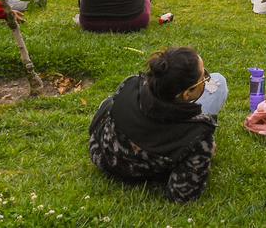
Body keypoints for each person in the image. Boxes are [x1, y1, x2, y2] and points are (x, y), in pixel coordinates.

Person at [89, 47, 225, 203]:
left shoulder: (131, 84)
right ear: (187, 93)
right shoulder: (196, 136)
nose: (207, 79)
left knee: (110, 102)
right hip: (140, 172)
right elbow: (182, 195)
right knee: (219, 82)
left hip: (101, 156)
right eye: (204, 77)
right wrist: (204, 154)